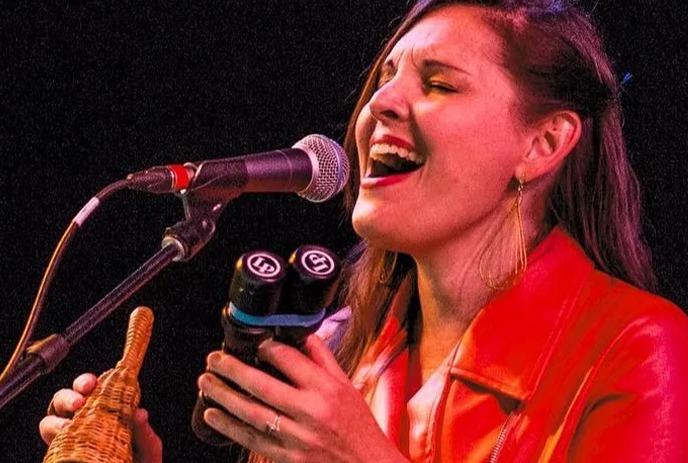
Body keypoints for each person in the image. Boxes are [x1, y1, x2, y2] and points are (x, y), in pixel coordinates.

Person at [39, 1, 688, 461]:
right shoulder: (342, 351)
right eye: (385, 78)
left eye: (437, 83)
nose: (380, 103)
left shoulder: (639, 350)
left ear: (544, 143)